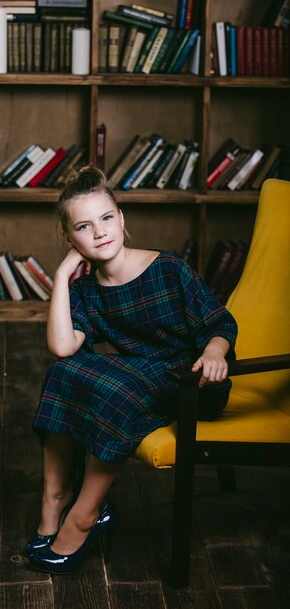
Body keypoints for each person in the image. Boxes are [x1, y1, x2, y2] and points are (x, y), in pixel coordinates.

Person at [26, 165, 238, 574]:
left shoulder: (168, 269)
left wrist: (214, 352)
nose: (100, 232)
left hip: (193, 381)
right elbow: (62, 345)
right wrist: (61, 276)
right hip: (142, 376)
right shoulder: (86, 290)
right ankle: (53, 498)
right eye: (84, 227)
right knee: (62, 371)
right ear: (69, 238)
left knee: (116, 391)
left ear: (122, 220)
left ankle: (86, 515)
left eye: (107, 218)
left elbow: (220, 322)